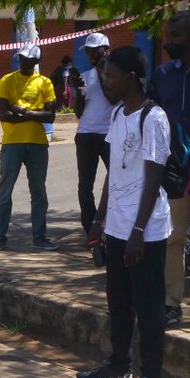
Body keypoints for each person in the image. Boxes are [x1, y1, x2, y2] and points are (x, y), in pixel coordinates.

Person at [79, 46, 171, 378]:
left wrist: (137, 231)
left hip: (144, 231)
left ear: (130, 77)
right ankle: (119, 368)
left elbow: (153, 177)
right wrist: (100, 221)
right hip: (117, 226)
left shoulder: (154, 117)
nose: (106, 81)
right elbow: (112, 172)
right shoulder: (118, 114)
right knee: (118, 302)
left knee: (149, 308)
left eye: (111, 76)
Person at [150, 10, 190, 330]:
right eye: (168, 35)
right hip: (174, 171)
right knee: (172, 236)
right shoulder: (162, 75)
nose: (168, 42)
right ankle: (170, 303)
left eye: (175, 36)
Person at [0, 43, 57, 251]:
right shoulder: (7, 81)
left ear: (36, 62)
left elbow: (51, 116)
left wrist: (22, 112)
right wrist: (35, 115)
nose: (22, 62)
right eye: (21, 58)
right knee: (5, 192)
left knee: (38, 192)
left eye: (27, 59)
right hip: (12, 143)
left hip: (37, 144)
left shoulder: (44, 83)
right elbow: (4, 115)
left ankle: (40, 237)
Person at [72, 33, 115, 239]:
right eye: (87, 50)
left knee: (117, 181)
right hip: (86, 134)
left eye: (93, 49)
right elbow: (79, 113)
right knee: (85, 184)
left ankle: (113, 223)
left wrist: (102, 71)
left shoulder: (115, 75)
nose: (90, 54)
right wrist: (78, 91)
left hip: (110, 135)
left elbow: (113, 99)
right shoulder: (86, 75)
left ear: (106, 49)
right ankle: (90, 228)